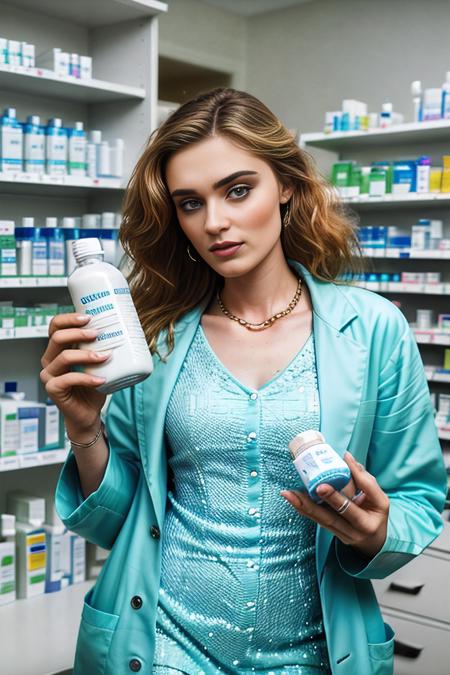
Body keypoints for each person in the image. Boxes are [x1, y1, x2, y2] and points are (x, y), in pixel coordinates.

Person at [40, 88, 447, 675]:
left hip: (316, 656)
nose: (215, 223)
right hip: (162, 649)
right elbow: (115, 524)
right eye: (190, 203)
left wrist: (375, 532)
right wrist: (85, 429)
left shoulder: (373, 328)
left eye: (237, 190)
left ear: (284, 184)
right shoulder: (155, 337)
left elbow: (419, 498)